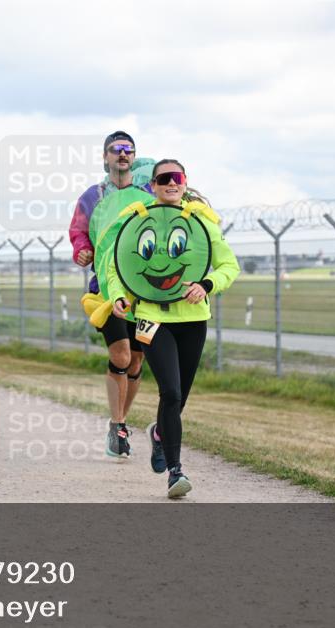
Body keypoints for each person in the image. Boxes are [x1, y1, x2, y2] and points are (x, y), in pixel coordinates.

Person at [107, 159, 240, 498]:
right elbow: (116, 266)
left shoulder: (201, 222)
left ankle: (158, 435)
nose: (171, 183)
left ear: (184, 183)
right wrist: (119, 296)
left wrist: (207, 285)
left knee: (180, 398)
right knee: (171, 392)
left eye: (176, 177)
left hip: (193, 320)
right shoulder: (135, 220)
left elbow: (228, 265)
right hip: (151, 317)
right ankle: (175, 472)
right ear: (152, 185)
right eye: (163, 178)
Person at [69, 130, 154, 458]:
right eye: (116, 150)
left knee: (136, 360)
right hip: (105, 289)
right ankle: (117, 424)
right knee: (119, 356)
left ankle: (121, 421)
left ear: (134, 157)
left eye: (128, 150)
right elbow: (78, 231)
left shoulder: (147, 194)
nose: (122, 154)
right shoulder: (93, 196)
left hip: (142, 292)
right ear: (105, 158)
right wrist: (82, 250)